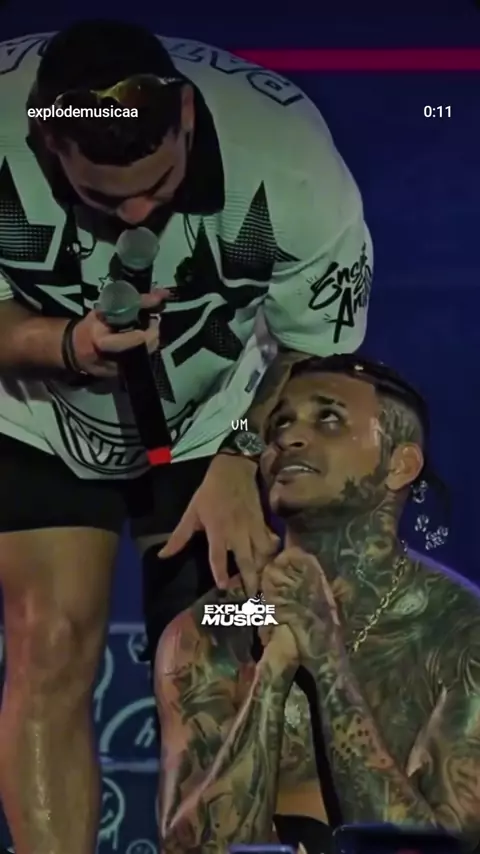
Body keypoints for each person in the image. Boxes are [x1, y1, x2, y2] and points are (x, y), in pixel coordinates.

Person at [0, 19, 372, 854]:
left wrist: (240, 453)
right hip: (34, 408)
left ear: (189, 119)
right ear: (45, 141)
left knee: (220, 650)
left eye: (157, 187)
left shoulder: (290, 162)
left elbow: (321, 353)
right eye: (105, 199)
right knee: (48, 639)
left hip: (221, 414)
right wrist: (65, 345)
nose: (136, 214)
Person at [155, 355, 480, 854]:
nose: (287, 437)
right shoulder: (213, 625)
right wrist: (273, 672)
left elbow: (435, 848)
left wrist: (326, 659)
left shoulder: (460, 629)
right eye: (278, 423)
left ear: (400, 464)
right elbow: (192, 849)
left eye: (328, 418)